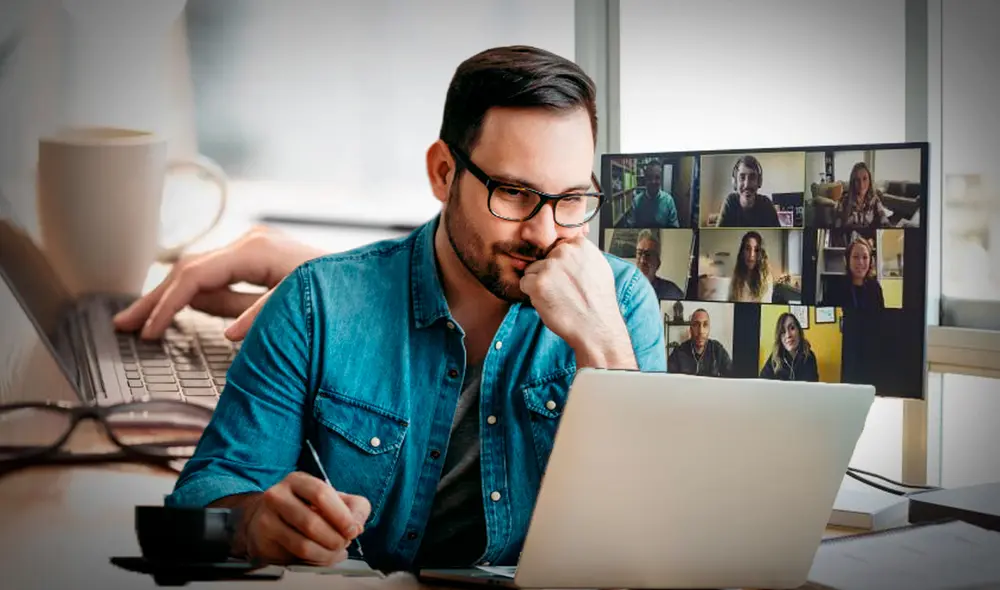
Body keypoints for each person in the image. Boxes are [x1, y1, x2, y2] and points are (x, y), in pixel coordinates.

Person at [120, 45, 666, 574]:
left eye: (571, 199)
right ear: (443, 173)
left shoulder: (620, 304)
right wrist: (252, 525)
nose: (545, 232)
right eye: (514, 193)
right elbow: (192, 512)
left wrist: (603, 347)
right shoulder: (315, 305)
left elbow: (651, 539)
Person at [821, 237, 885, 309]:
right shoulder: (835, 287)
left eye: (865, 257)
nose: (860, 262)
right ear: (847, 260)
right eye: (855, 257)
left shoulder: (875, 288)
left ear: (870, 261)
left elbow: (880, 317)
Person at [716, 155, 780, 228]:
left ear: (759, 181)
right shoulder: (730, 202)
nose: (747, 185)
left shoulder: (766, 204)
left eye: (752, 177)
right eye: (742, 177)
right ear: (735, 182)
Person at [667, 309, 732, 377]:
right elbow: (670, 382)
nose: (701, 331)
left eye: (705, 325)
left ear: (709, 329)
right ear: (690, 329)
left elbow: (732, 376)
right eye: (696, 325)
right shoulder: (678, 353)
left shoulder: (718, 350)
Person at [759, 312, 819, 382]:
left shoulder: (809, 356)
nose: (788, 335)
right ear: (780, 338)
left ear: (799, 331)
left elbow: (813, 387)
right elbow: (762, 383)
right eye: (783, 331)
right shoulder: (774, 358)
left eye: (792, 328)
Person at [834, 162, 891, 229]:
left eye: (865, 178)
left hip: (868, 238)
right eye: (857, 180)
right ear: (853, 182)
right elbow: (837, 227)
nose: (861, 185)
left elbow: (883, 218)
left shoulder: (874, 199)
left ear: (869, 180)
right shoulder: (843, 201)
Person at [634, 229, 685, 299]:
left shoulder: (671, 291)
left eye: (648, 255)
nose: (642, 260)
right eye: (639, 253)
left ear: (658, 264)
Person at [626, 161, 679, 227]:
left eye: (657, 177)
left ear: (661, 179)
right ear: (645, 178)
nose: (653, 181)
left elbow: (674, 227)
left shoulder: (669, 200)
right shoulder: (636, 201)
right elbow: (630, 226)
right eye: (650, 177)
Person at [727, 231, 773, 303]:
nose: (751, 254)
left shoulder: (766, 279)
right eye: (748, 249)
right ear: (742, 251)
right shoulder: (736, 276)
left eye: (756, 250)